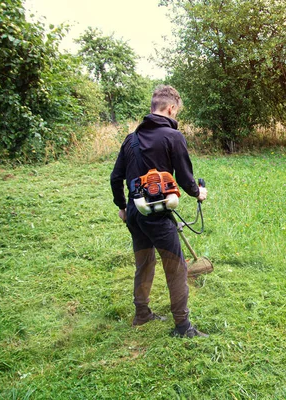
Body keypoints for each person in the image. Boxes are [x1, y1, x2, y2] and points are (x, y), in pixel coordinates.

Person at [110, 85, 208, 338]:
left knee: (144, 262)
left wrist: (122, 207)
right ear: (171, 108)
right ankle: (183, 326)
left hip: (135, 212)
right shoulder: (173, 137)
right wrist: (199, 193)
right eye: (177, 112)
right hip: (156, 214)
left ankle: (141, 313)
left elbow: (115, 177)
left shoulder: (130, 139)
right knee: (176, 268)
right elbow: (187, 180)